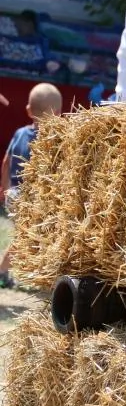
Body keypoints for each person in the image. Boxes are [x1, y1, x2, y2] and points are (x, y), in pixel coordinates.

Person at [0, 83, 63, 288]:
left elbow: (6, 161)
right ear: (59, 114)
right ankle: (3, 271)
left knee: (29, 236)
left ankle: (17, 273)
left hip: (13, 194)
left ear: (28, 110)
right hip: (30, 200)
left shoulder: (19, 133)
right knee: (29, 236)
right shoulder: (51, 140)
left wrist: (4, 187)